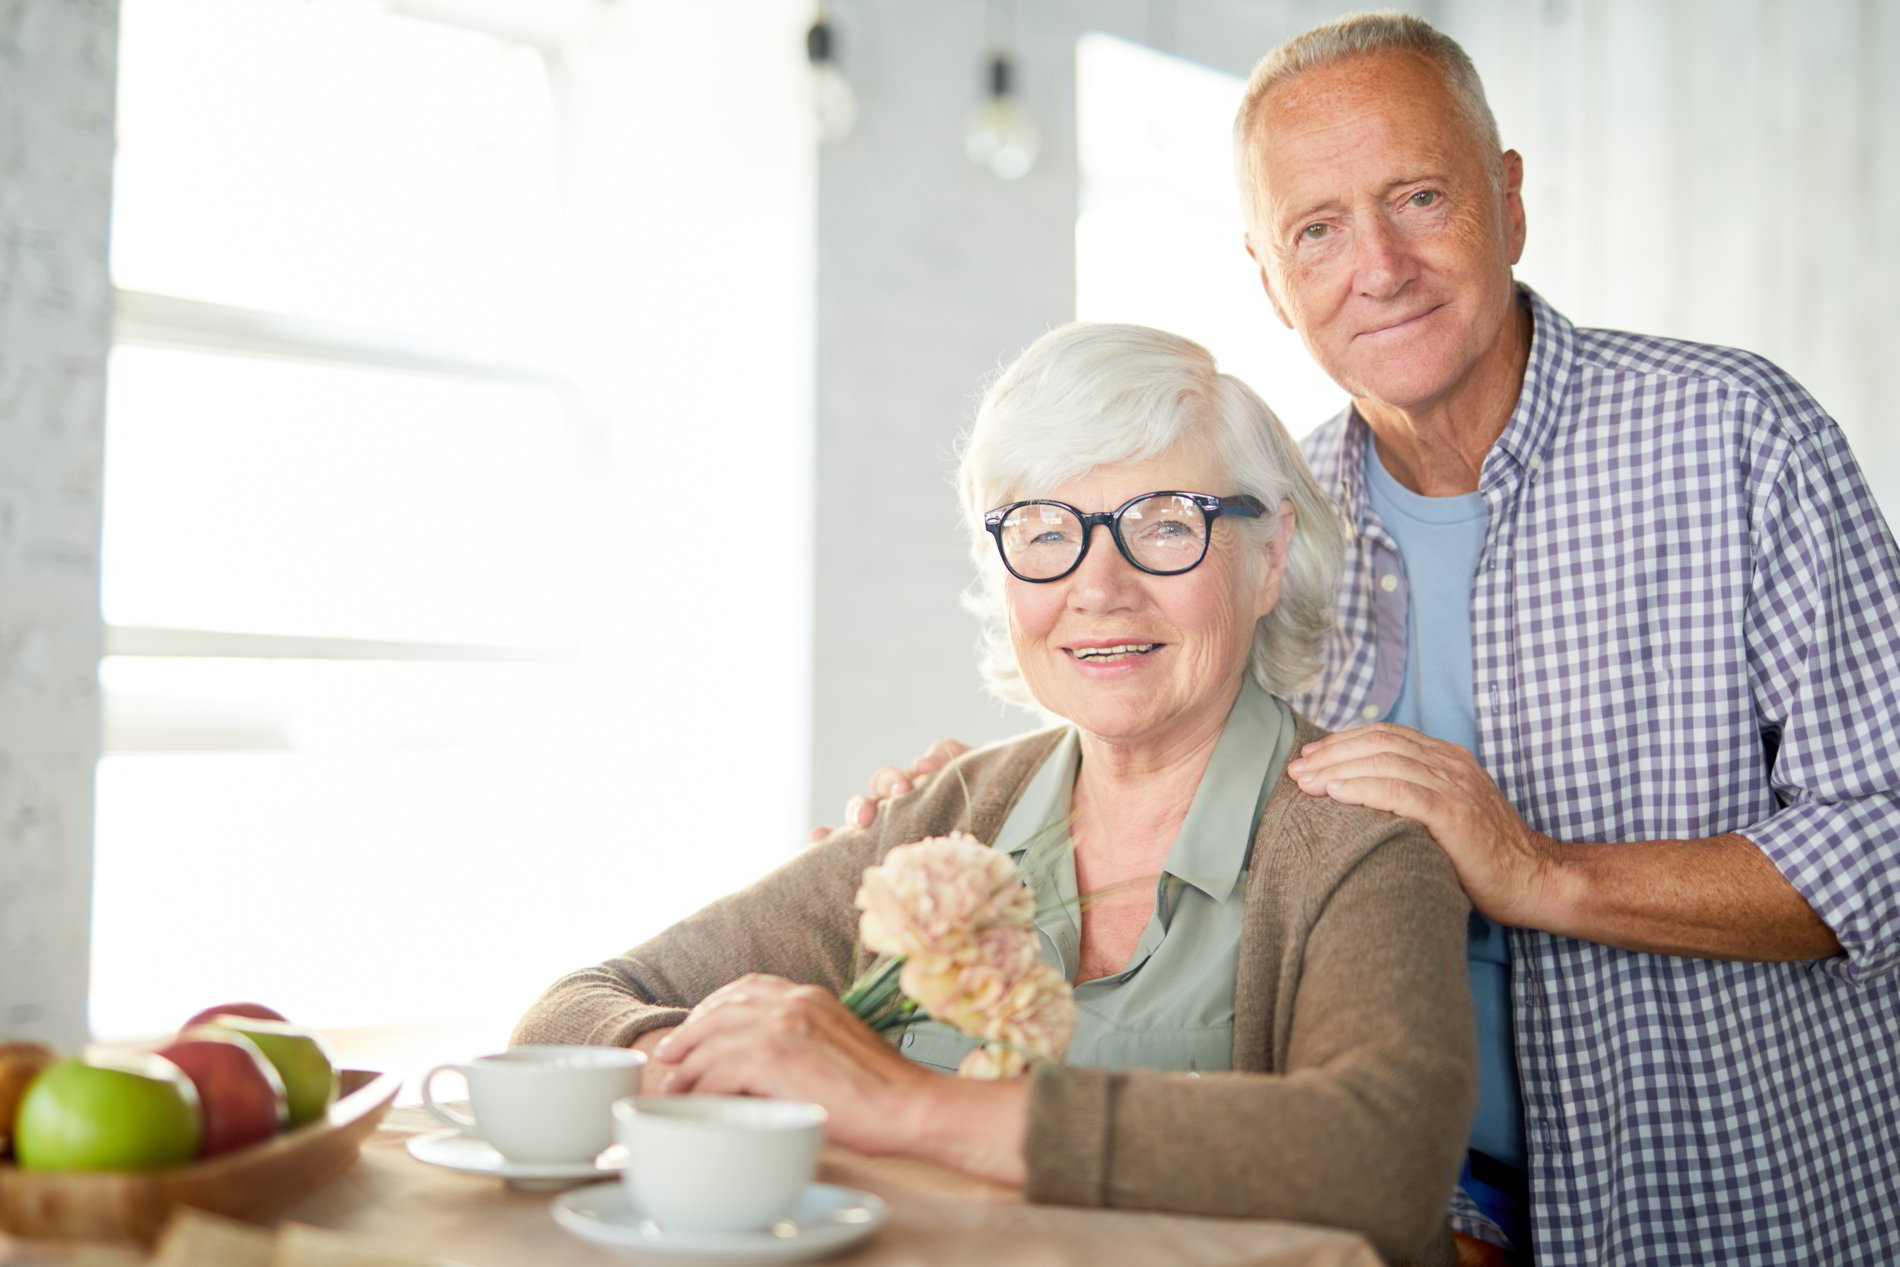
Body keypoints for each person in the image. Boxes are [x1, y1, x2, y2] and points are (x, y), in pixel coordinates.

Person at [840, 12, 1900, 1266]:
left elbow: (1883, 826)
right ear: (1268, 278)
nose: (1379, 266)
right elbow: (1179, 738)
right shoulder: (1271, 511)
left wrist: (1543, 870)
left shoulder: (1735, 440)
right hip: (1402, 1219)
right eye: (1318, 230)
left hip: (1728, 1212)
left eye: (1418, 196)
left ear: (1507, 201)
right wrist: (989, 801)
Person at [515, 322, 1476, 1266]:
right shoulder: (947, 811)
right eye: (1046, 531)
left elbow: (1384, 1162)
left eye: (1165, 525)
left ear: (1269, 558)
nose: (1099, 587)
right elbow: (574, 1012)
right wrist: (715, 1060)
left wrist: (898, 1101)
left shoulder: (1362, 844)